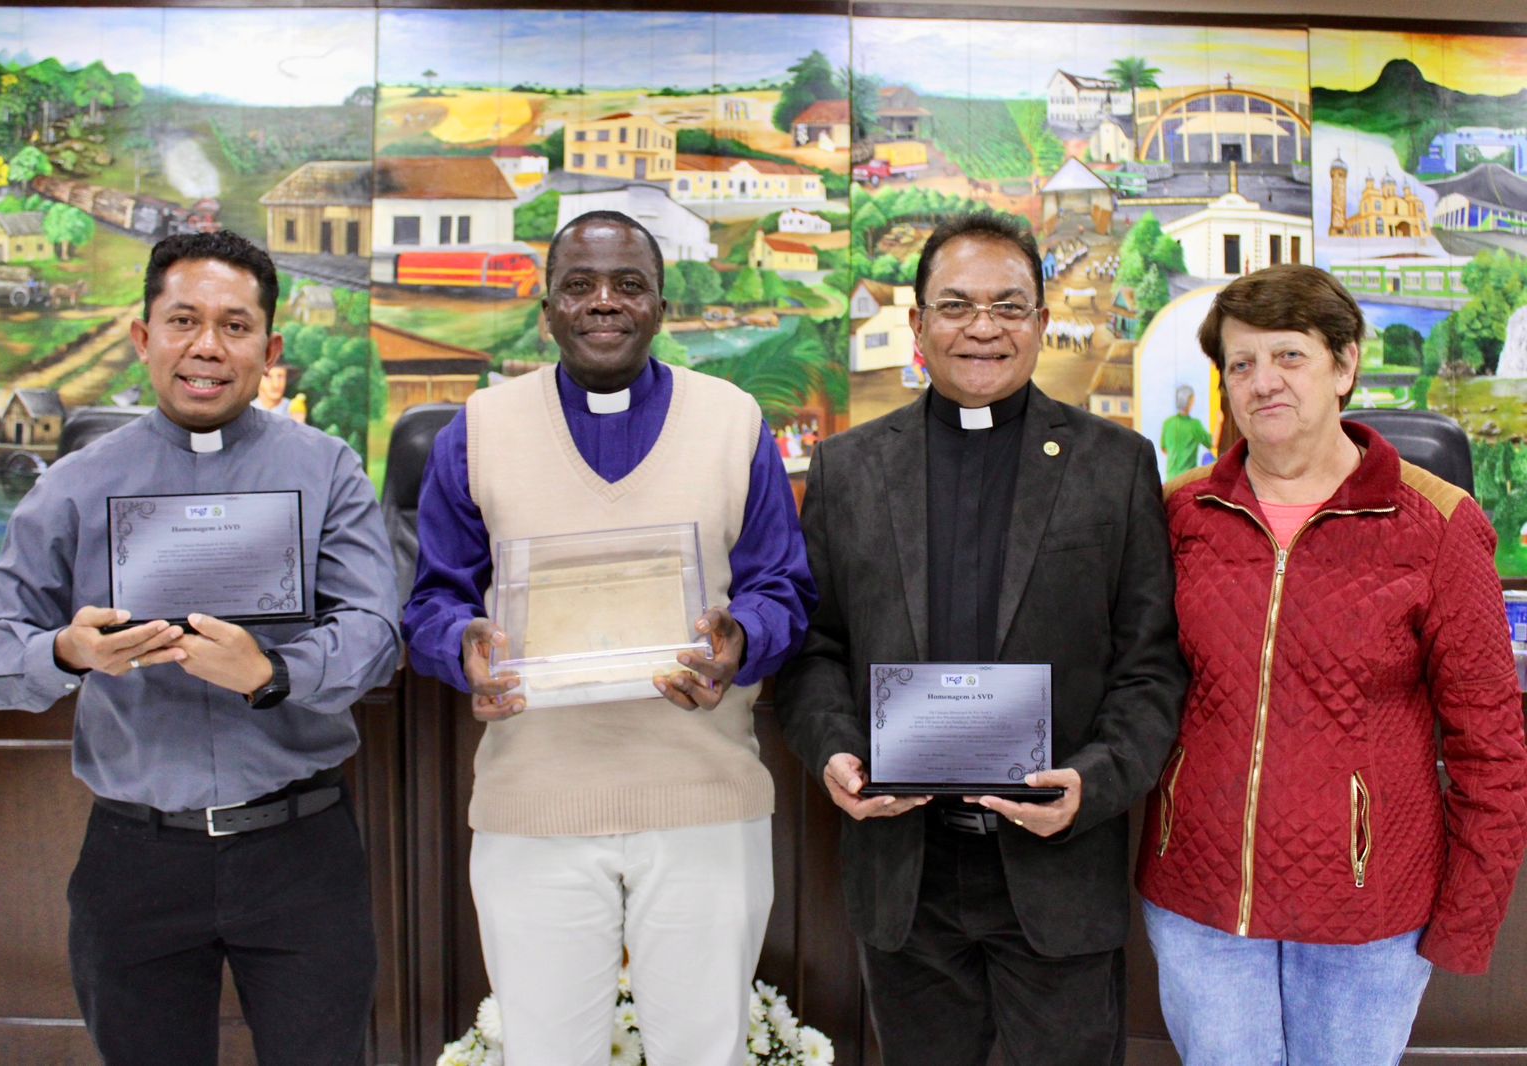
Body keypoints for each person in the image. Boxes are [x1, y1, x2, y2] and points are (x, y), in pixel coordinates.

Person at [0, 230, 400, 1066]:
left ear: (270, 350)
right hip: (136, 857)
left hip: (300, 849)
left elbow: (376, 635)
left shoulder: (327, 470)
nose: (207, 347)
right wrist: (67, 653)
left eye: (235, 327)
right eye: (184, 320)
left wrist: (273, 673)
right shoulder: (75, 484)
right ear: (143, 336)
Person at [403, 210, 815, 1066]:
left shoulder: (732, 421)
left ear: (661, 306)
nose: (603, 302)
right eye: (579, 286)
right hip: (535, 806)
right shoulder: (477, 430)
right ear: (546, 310)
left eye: (628, 285)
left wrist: (742, 638)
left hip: (703, 801)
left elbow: (782, 588)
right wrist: (460, 647)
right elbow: (434, 600)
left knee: (705, 1055)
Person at [777, 212, 1186, 1066]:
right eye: (957, 305)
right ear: (919, 322)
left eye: (1008, 306)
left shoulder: (1114, 465)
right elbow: (815, 650)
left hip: (1056, 864)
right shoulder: (851, 469)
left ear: (1041, 321)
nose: (983, 328)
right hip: (905, 870)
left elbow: (1150, 667)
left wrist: (1094, 782)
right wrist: (837, 753)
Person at [1136, 264, 1527, 1065]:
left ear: (1344, 365)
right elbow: (1136, 679)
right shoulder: (1182, 512)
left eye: (1290, 355)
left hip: (1367, 911)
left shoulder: (1438, 524)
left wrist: (1467, 918)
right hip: (1201, 897)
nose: (1264, 381)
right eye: (1241, 364)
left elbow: (1492, 745)